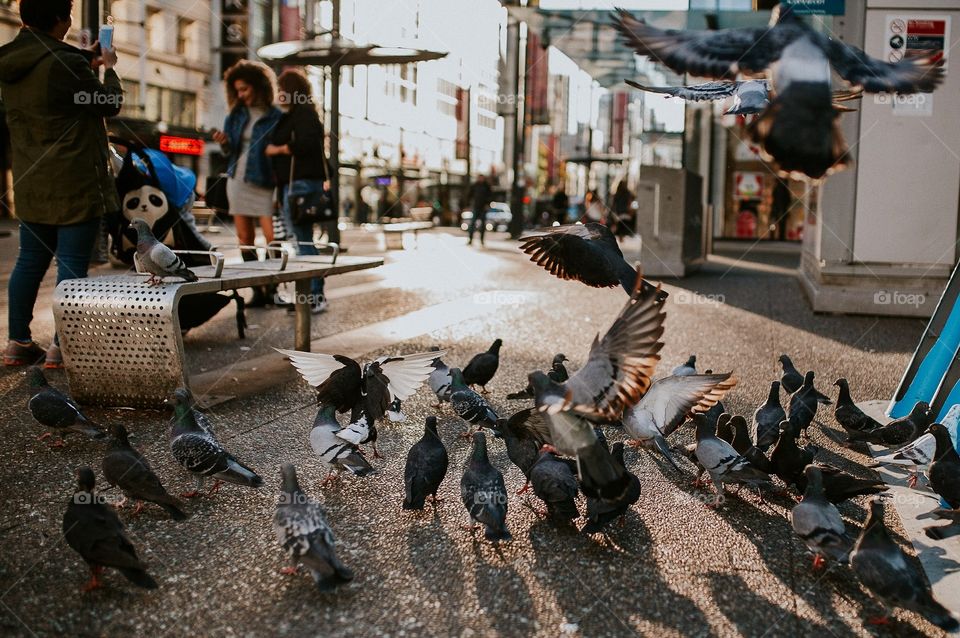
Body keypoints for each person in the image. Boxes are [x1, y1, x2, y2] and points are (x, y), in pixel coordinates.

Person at [1, 0, 122, 367]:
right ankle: (61, 346)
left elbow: (53, 84)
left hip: (31, 179)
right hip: (75, 180)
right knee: (71, 265)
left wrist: (84, 60)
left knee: (30, 261)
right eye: (68, 16)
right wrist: (109, 68)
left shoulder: (8, 60)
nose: (70, 22)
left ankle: (18, 343)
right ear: (59, 19)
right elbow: (108, 102)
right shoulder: (66, 62)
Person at [213, 60, 282, 307]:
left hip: (265, 182)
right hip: (238, 180)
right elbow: (228, 151)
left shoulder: (276, 116)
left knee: (273, 238)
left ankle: (272, 286)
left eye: (245, 89)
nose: (241, 95)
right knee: (245, 238)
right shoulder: (237, 114)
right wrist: (223, 142)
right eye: (237, 91)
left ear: (259, 86)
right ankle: (257, 290)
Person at [266, 69, 330, 314]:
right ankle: (310, 294)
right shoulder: (297, 113)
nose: (278, 94)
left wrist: (278, 150)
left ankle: (315, 294)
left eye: (281, 89)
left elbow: (305, 143)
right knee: (301, 240)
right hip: (294, 185)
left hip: (301, 185)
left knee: (302, 241)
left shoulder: (303, 114)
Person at [466, 174, 493, 246]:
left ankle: (482, 240)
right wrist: (468, 205)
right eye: (479, 178)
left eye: (482, 178)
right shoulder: (475, 185)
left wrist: (488, 204)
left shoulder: (486, 186)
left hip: (483, 208)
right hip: (476, 207)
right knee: (472, 224)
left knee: (483, 225)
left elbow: (490, 196)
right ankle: (470, 239)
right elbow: (469, 195)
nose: (480, 179)